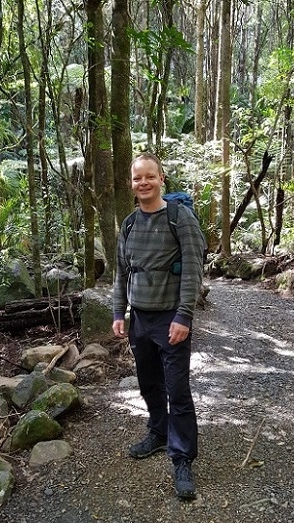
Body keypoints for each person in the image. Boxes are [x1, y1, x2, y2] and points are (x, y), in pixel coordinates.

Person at [112, 152, 205, 500]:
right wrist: (118, 312)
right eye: (138, 178)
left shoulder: (180, 219)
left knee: (177, 389)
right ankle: (158, 432)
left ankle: (182, 458)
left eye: (150, 176)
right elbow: (122, 272)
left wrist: (184, 316)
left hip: (170, 318)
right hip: (140, 319)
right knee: (149, 384)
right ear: (131, 184)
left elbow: (194, 271)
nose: (144, 183)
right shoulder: (129, 224)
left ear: (161, 179)